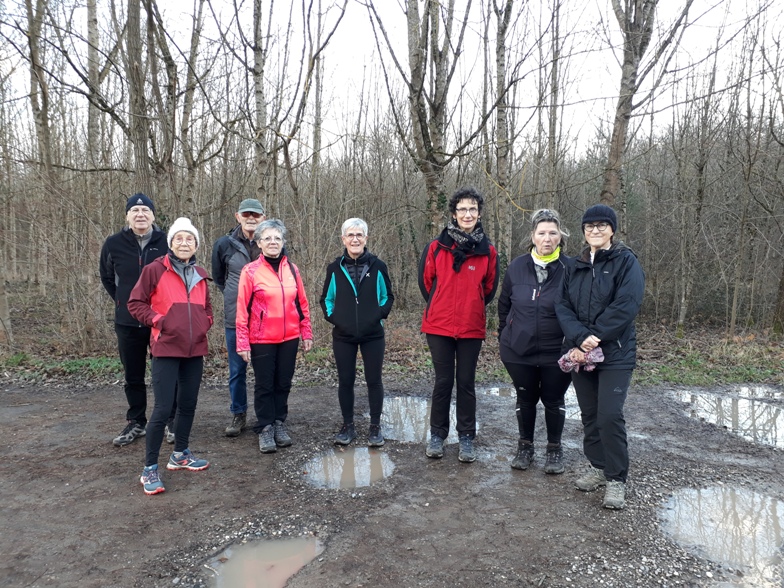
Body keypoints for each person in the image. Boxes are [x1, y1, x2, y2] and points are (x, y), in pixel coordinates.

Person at [555, 204, 645, 510]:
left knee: (609, 415)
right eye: (589, 226)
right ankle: (597, 467)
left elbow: (627, 304)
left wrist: (595, 336)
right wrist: (581, 339)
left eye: (601, 225)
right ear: (583, 231)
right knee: (590, 414)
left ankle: (616, 478)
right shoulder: (574, 265)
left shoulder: (625, 261)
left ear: (612, 229)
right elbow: (562, 305)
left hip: (615, 352)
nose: (595, 230)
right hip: (581, 354)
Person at [128, 217, 213, 496]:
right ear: (171, 243)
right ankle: (149, 468)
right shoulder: (155, 270)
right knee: (163, 409)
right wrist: (159, 321)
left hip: (195, 348)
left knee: (188, 405)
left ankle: (180, 454)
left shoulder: (201, 273)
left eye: (190, 239)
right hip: (165, 348)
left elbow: (207, 308)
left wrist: (205, 324)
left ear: (196, 244)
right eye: (179, 239)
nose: (184, 243)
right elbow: (135, 303)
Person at [418, 187, 499, 463]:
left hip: (470, 326)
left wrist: (470, 304)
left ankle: (466, 437)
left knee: (465, 382)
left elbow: (489, 289)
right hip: (438, 325)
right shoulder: (436, 247)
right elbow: (426, 283)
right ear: (454, 213)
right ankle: (437, 435)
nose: (467, 214)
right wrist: (440, 303)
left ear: (479, 214)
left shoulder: (487, 250)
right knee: (443, 382)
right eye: (462, 209)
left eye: (473, 209)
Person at [498, 209, 573, 474]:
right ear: (532, 236)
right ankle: (525, 447)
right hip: (519, 351)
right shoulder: (517, 266)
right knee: (526, 398)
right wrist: (504, 337)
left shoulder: (571, 268)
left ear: (560, 237)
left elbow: (579, 311)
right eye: (542, 233)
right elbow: (504, 305)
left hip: (558, 351)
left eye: (553, 233)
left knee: (553, 400)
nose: (547, 238)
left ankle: (554, 449)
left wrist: (572, 345)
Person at [99, 193, 176, 447]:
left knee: (165, 374)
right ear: (127, 216)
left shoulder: (167, 242)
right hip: (128, 321)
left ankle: (170, 420)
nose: (140, 214)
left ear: (153, 215)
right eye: (135, 210)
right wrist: (125, 302)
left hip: (160, 322)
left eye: (145, 211)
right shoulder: (113, 243)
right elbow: (108, 278)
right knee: (133, 375)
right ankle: (136, 421)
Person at [236, 219, 313, 454]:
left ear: (283, 242)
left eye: (277, 238)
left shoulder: (292, 269)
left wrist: (306, 330)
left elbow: (302, 303)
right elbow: (242, 309)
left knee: (283, 382)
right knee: (265, 385)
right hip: (261, 338)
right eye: (267, 238)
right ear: (259, 243)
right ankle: (265, 426)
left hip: (289, 337)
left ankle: (280, 422)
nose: (272, 242)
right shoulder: (250, 271)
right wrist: (242, 341)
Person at [319, 218, 395, 447]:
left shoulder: (378, 266)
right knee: (346, 381)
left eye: (359, 235)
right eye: (350, 235)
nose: (355, 239)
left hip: (373, 334)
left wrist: (377, 317)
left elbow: (388, 297)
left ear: (366, 239)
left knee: (374, 380)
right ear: (343, 239)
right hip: (343, 335)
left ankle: (375, 428)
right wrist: (336, 320)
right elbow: (326, 299)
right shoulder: (334, 268)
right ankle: (348, 426)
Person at [211, 198, 266, 437]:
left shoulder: (271, 241)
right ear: (238, 216)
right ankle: (239, 414)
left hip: (266, 320)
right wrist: (238, 298)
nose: (251, 218)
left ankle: (267, 417)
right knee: (237, 370)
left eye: (256, 214)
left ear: (263, 217)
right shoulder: (224, 244)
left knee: (265, 371)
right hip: (236, 319)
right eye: (246, 214)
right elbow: (219, 278)